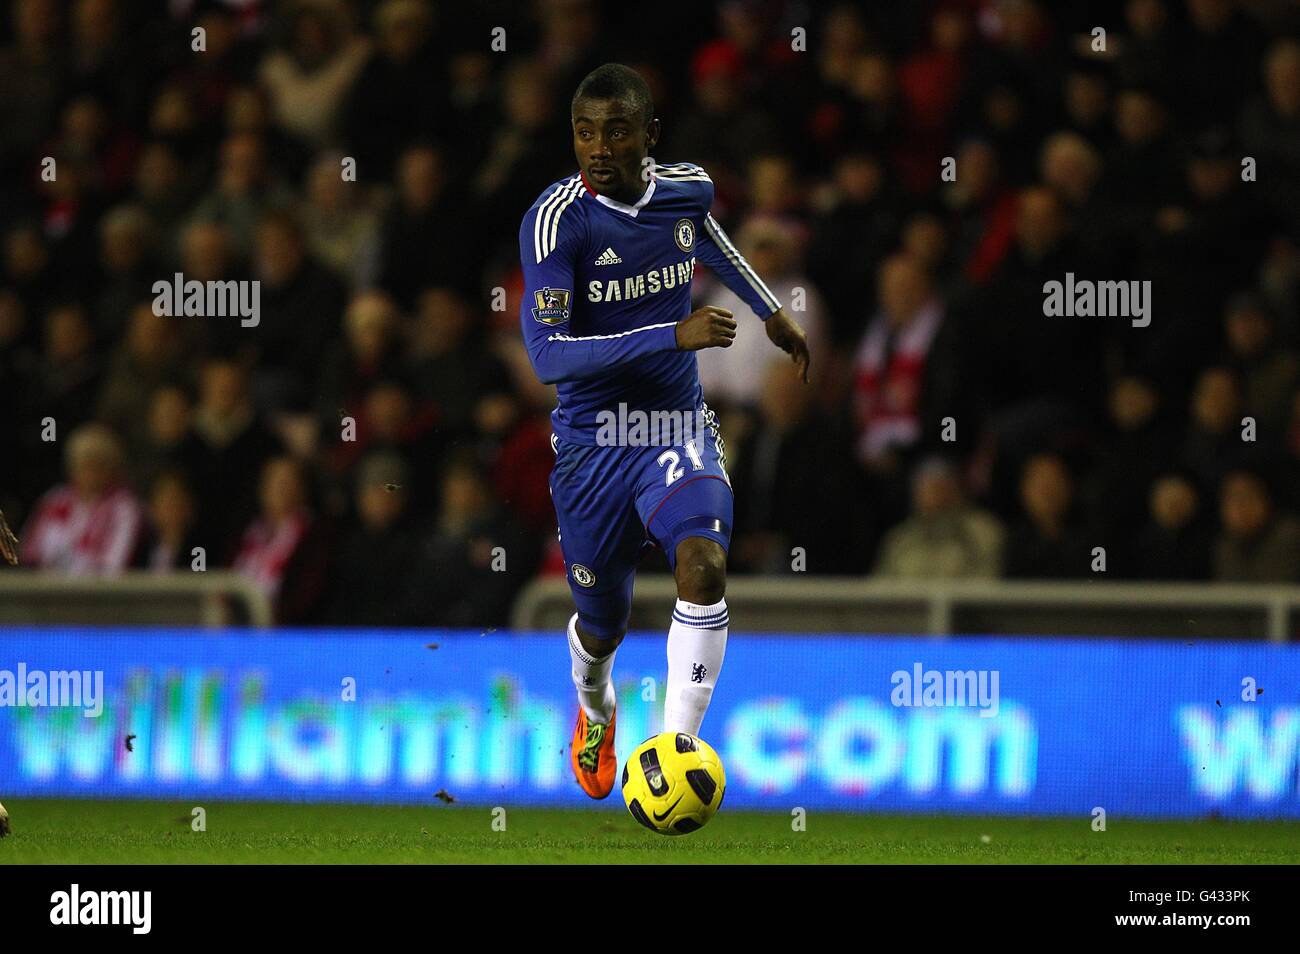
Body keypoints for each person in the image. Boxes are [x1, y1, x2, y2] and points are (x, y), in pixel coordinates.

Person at [517, 64, 810, 800]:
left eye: (616, 131)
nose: (598, 147)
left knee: (703, 562)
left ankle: (676, 747)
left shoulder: (686, 189)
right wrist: (668, 335)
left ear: (650, 135)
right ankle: (595, 706)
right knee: (601, 625)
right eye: (585, 132)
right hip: (592, 442)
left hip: (673, 424)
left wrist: (769, 308)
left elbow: (706, 239)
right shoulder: (556, 223)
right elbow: (548, 356)